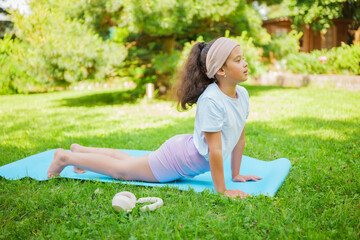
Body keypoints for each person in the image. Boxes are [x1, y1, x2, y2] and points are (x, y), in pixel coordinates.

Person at [47, 37, 262, 199]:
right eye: (238, 60)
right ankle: (66, 158)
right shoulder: (211, 100)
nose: (245, 64)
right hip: (178, 160)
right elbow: (215, 150)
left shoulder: (241, 95)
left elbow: (238, 139)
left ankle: (80, 151)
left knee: (130, 163)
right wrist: (223, 190)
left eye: (243, 58)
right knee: (122, 171)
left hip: (184, 149)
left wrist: (236, 174)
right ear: (221, 69)